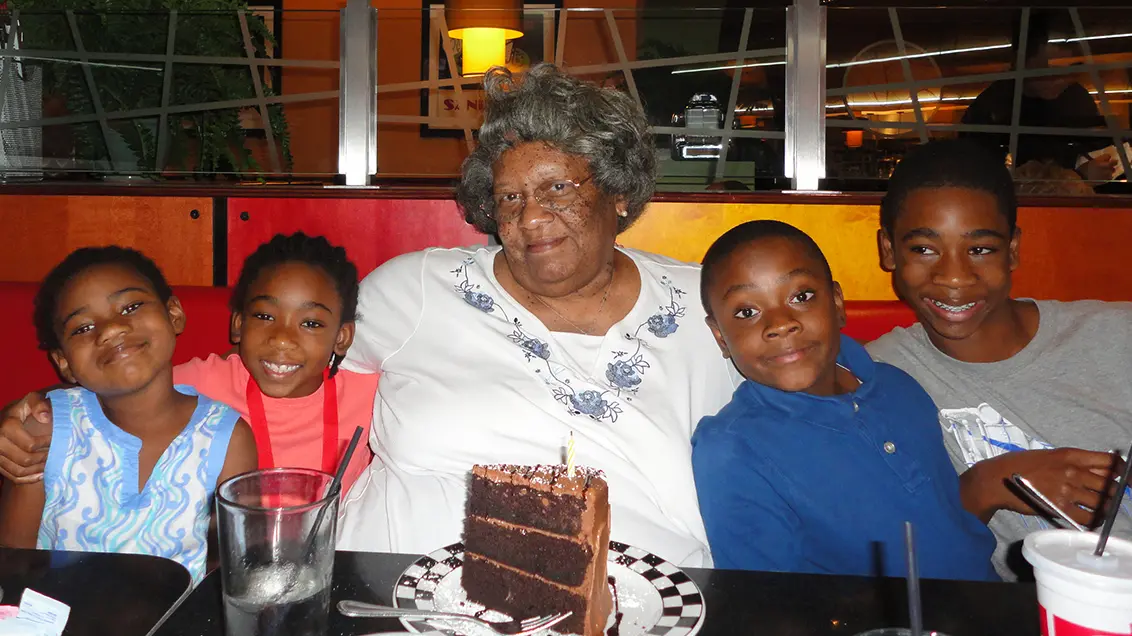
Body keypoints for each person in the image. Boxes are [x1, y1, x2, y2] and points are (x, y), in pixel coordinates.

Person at [332, 63, 736, 566]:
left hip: (642, 605)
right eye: (510, 197)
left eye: (558, 188)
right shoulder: (414, 289)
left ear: (619, 193)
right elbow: (291, 372)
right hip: (393, 596)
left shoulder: (709, 300)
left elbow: (820, 386)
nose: (531, 217)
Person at [867, 139, 1131, 581]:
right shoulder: (874, 379)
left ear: (1012, 250)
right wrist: (990, 483)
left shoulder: (1116, 337)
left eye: (981, 249)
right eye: (924, 249)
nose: (954, 276)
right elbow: (899, 554)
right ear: (889, 251)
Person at [691, 221, 997, 580]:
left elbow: (947, 527)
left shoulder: (899, 387)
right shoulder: (732, 449)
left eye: (801, 296)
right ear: (721, 337)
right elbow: (765, 603)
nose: (781, 323)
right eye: (747, 312)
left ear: (837, 303)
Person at [0, 233, 377, 494]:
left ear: (342, 337)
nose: (282, 338)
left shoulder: (374, 393)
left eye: (311, 323)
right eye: (264, 316)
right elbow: (117, 389)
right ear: (238, 325)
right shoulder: (204, 381)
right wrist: (31, 406)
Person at [0, 247, 257, 584]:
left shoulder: (228, 438)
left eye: (131, 307)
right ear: (64, 362)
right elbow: (13, 561)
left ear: (174, 314)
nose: (110, 330)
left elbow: (232, 568)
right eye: (82, 327)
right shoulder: (45, 428)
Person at [961, 10, 1116, 186]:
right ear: (1022, 61)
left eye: (1070, 71)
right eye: (1050, 71)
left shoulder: (1077, 98)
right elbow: (989, 187)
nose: (1062, 80)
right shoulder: (989, 111)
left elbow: (1094, 146)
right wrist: (1079, 178)